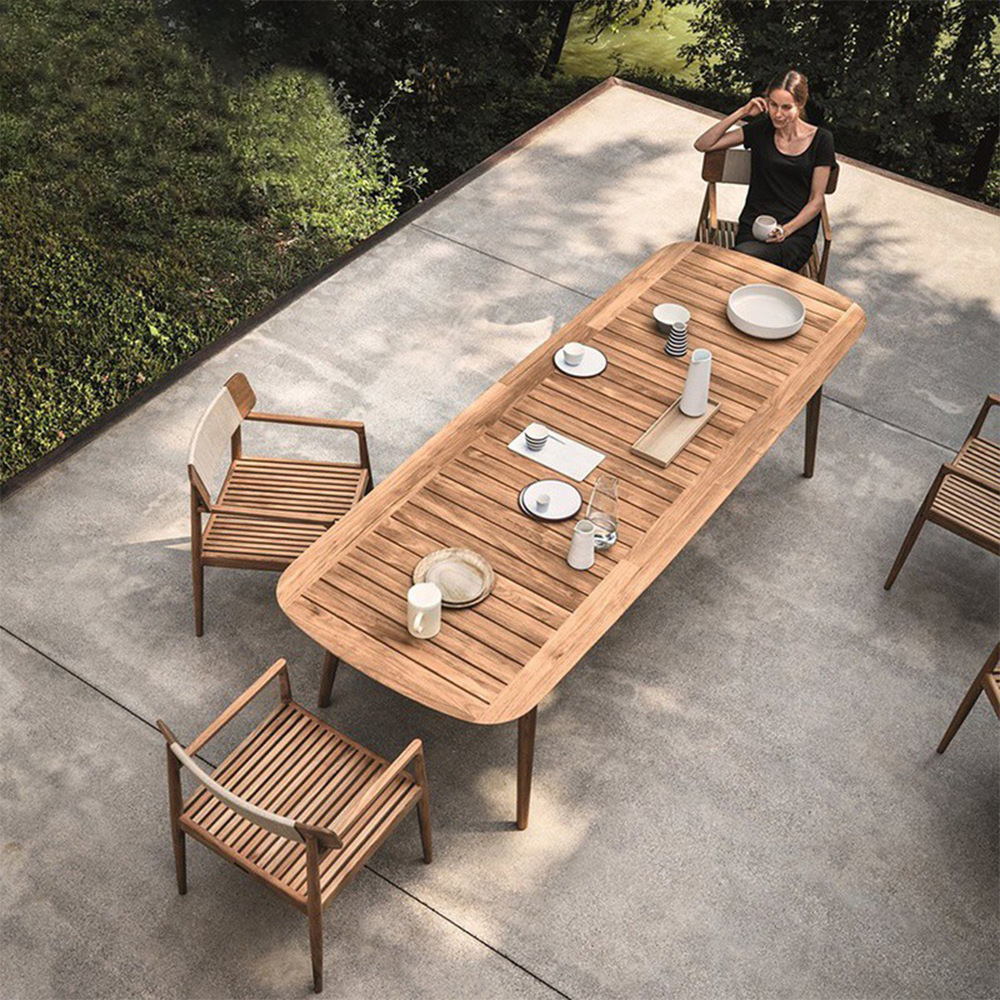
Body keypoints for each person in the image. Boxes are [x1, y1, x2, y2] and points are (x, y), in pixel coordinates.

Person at [693, 69, 836, 274]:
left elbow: (816, 200)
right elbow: (703, 144)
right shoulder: (761, 129)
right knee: (746, 262)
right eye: (773, 105)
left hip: (794, 232)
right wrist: (742, 112)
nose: (778, 114)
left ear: (801, 105)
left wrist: (786, 230)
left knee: (740, 264)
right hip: (755, 226)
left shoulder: (822, 140)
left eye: (786, 107)